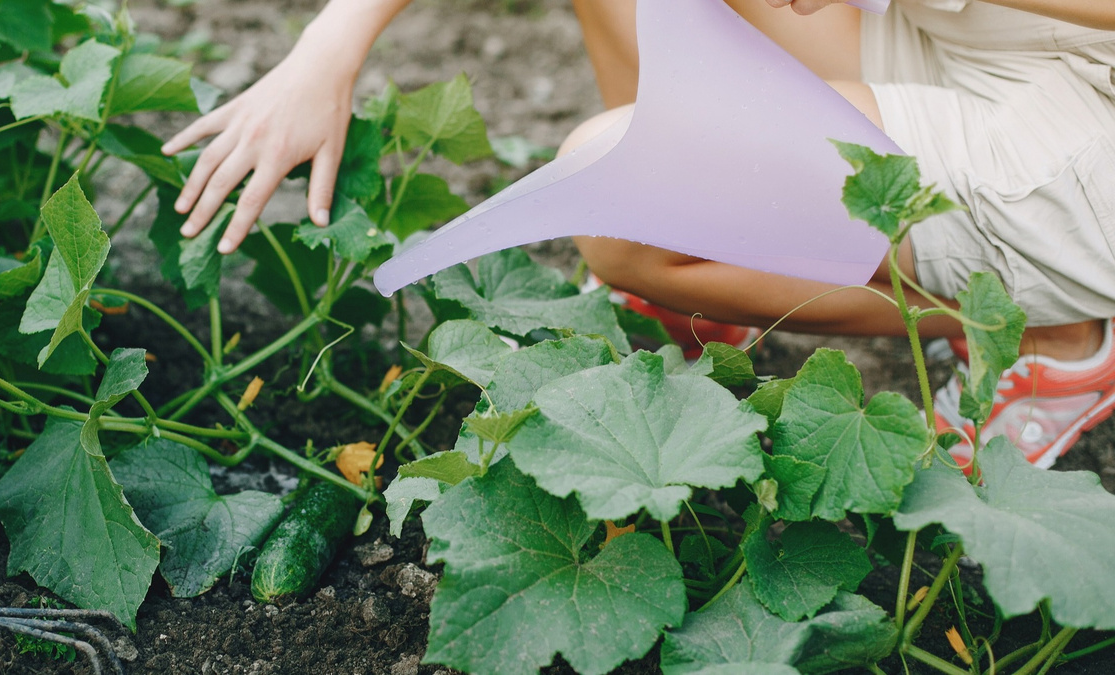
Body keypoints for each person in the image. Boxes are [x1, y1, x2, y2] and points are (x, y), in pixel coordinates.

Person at [162, 0, 1115, 469]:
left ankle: (1050, 334)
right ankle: (718, 257)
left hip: (1085, 133)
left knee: (609, 196)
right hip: (987, 38)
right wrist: (326, 51)